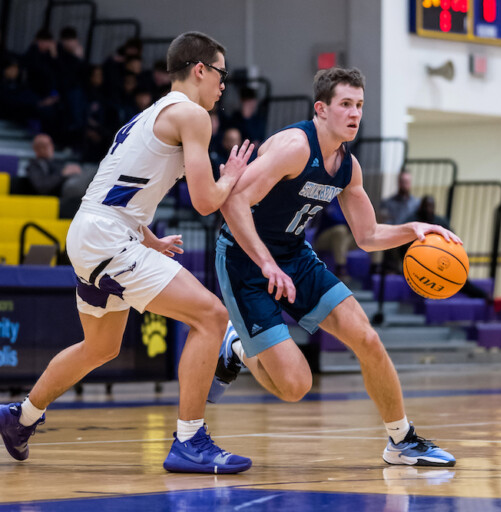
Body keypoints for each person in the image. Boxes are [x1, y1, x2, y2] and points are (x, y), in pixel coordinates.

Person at [0, 31, 255, 474]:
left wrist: (148, 237)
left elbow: (120, 186)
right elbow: (204, 200)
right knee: (211, 317)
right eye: (221, 74)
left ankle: (19, 417)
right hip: (107, 237)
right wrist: (231, 176)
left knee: (99, 347)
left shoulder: (146, 116)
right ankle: (191, 440)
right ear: (200, 70)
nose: (223, 86)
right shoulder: (193, 115)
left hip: (92, 231)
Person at [208, 67, 458, 467]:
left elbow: (368, 235)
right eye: (345, 104)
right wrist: (266, 263)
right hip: (244, 257)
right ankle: (236, 346)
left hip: (293, 254)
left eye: (359, 105)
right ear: (321, 109)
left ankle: (401, 441)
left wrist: (414, 229)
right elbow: (232, 202)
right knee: (295, 386)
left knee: (368, 339)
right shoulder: (294, 147)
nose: (354, 113)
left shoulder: (348, 167)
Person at [26, 133, 95, 217]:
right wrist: (62, 174)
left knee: (89, 168)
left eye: (50, 144)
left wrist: (74, 170)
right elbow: (42, 187)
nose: (50, 147)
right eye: (45, 145)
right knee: (95, 170)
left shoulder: (56, 162)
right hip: (65, 190)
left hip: (73, 185)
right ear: (37, 149)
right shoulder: (34, 166)